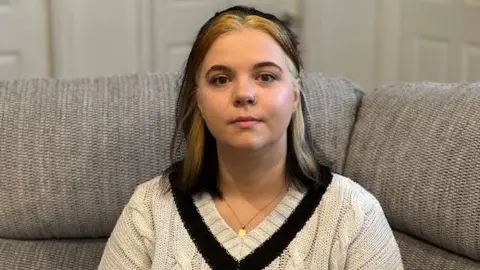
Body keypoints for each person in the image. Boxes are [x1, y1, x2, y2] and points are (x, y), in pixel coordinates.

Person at [98, 6, 403, 270]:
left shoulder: (354, 214)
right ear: (200, 101)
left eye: (266, 76)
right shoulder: (149, 209)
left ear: (295, 95)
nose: (244, 93)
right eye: (221, 79)